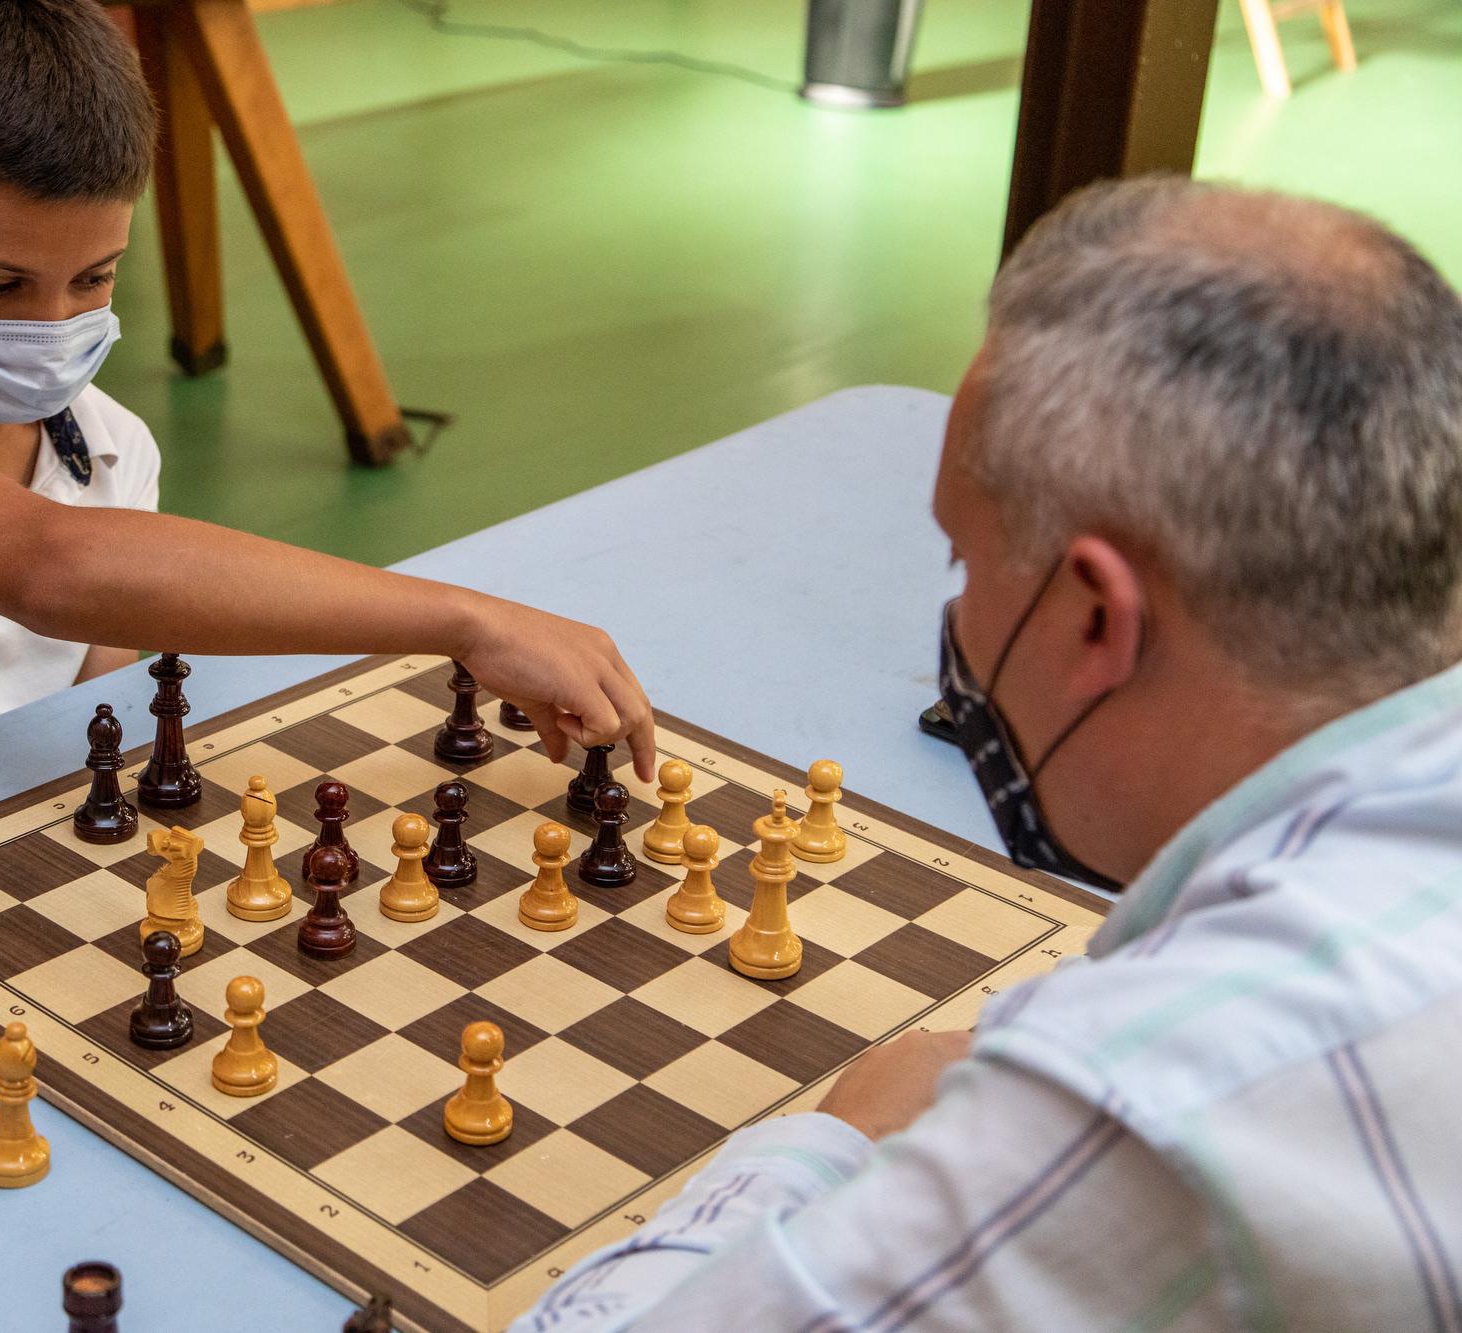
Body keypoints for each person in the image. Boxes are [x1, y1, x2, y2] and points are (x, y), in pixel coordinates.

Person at [521, 178, 1462, 1330]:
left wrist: (834, 1142)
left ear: (1094, 620)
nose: (956, 620)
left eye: (962, 562)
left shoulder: (1155, 1096)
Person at [0, 0, 652, 842]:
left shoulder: (112, 443)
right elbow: (47, 568)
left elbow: (96, 704)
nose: (52, 326)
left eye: (93, 276)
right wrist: (461, 619)